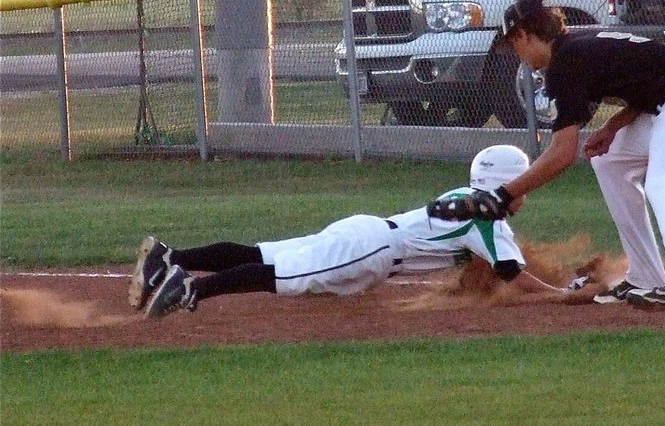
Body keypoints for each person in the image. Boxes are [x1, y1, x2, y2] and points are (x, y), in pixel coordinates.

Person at [428, 0, 665, 314]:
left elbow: (562, 153)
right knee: (609, 159)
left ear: (524, 35)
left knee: (663, 183)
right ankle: (644, 276)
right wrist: (613, 126)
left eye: (514, 45)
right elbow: (653, 80)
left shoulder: (565, 62)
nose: (517, 54)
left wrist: (502, 195)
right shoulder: (575, 50)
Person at [130, 145, 574, 318]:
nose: (527, 189)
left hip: (367, 232)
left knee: (263, 255)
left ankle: (171, 258)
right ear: (505, 182)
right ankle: (189, 290)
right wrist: (563, 294)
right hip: (374, 250)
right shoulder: (488, 218)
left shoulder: (466, 197)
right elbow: (512, 274)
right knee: (283, 276)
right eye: (525, 180)